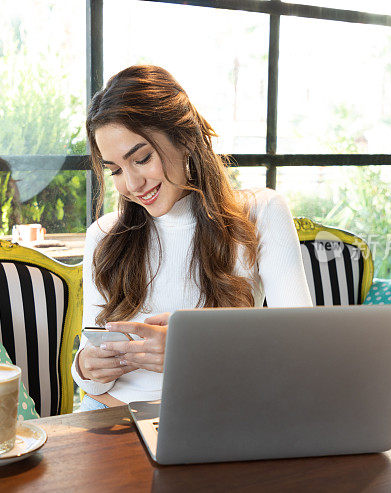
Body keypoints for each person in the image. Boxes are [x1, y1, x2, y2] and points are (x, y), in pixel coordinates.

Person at [72, 65, 312, 412]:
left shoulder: (261, 212)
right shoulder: (105, 235)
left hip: (218, 413)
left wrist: (194, 348)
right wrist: (86, 366)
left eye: (141, 158)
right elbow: (92, 364)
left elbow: (300, 344)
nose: (131, 185)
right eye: (115, 170)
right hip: (113, 413)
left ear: (185, 139)